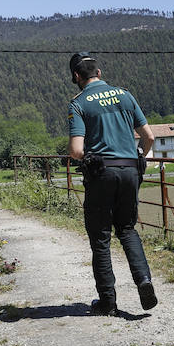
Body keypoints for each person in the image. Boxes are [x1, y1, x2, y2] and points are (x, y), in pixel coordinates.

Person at [68, 52, 157, 315]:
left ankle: (108, 301)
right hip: (130, 170)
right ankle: (144, 280)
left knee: (101, 238)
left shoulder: (79, 103)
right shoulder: (125, 95)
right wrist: (138, 155)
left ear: (76, 76)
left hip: (102, 173)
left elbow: (75, 150)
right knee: (128, 229)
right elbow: (149, 137)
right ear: (100, 72)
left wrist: (90, 156)